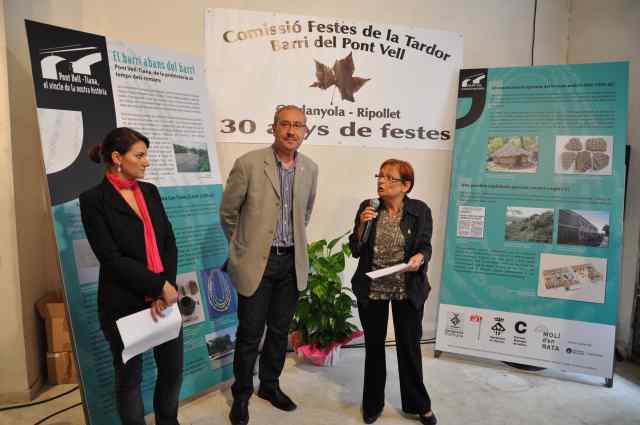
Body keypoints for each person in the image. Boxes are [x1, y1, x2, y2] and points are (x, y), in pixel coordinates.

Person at [220, 105, 318, 425]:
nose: (291, 131)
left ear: (305, 131)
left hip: (291, 262)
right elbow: (228, 213)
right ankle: (242, 394)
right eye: (285, 124)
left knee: (279, 331)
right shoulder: (248, 164)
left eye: (298, 125)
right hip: (257, 265)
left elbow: (304, 215)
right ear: (274, 127)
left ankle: (270, 386)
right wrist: (242, 249)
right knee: (250, 332)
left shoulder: (310, 169)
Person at [79, 127, 182, 425]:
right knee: (129, 380)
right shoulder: (93, 200)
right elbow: (111, 259)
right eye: (140, 155)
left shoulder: (150, 192)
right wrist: (158, 285)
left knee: (172, 370)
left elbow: (168, 242)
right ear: (117, 158)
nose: (147, 161)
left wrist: (166, 287)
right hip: (122, 301)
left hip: (164, 297)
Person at [349, 159, 437, 425]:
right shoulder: (368, 207)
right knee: (374, 348)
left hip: (406, 289)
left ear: (405, 185)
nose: (381, 181)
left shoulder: (420, 210)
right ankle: (372, 404)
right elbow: (355, 249)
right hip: (373, 288)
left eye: (389, 178)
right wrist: (362, 225)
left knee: (409, 348)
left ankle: (419, 405)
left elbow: (425, 245)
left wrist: (421, 257)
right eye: (380, 176)